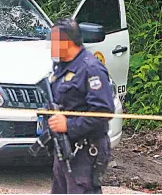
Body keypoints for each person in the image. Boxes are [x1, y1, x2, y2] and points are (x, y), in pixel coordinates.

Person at [47, 18, 115, 194]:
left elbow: (103, 111)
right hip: (64, 147)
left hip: (85, 150)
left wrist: (68, 125)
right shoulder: (62, 67)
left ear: (67, 42)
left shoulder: (90, 68)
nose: (51, 47)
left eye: (54, 42)